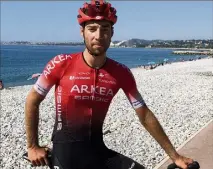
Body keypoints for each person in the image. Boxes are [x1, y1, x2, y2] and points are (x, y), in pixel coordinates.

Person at [24, 0, 194, 169]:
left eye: (104, 29)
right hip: (66, 158)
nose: (98, 35)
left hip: (98, 152)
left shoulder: (121, 72)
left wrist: (175, 156)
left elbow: (144, 114)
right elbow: (33, 100)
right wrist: (33, 147)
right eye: (92, 29)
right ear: (82, 32)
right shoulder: (61, 63)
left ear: (112, 33)